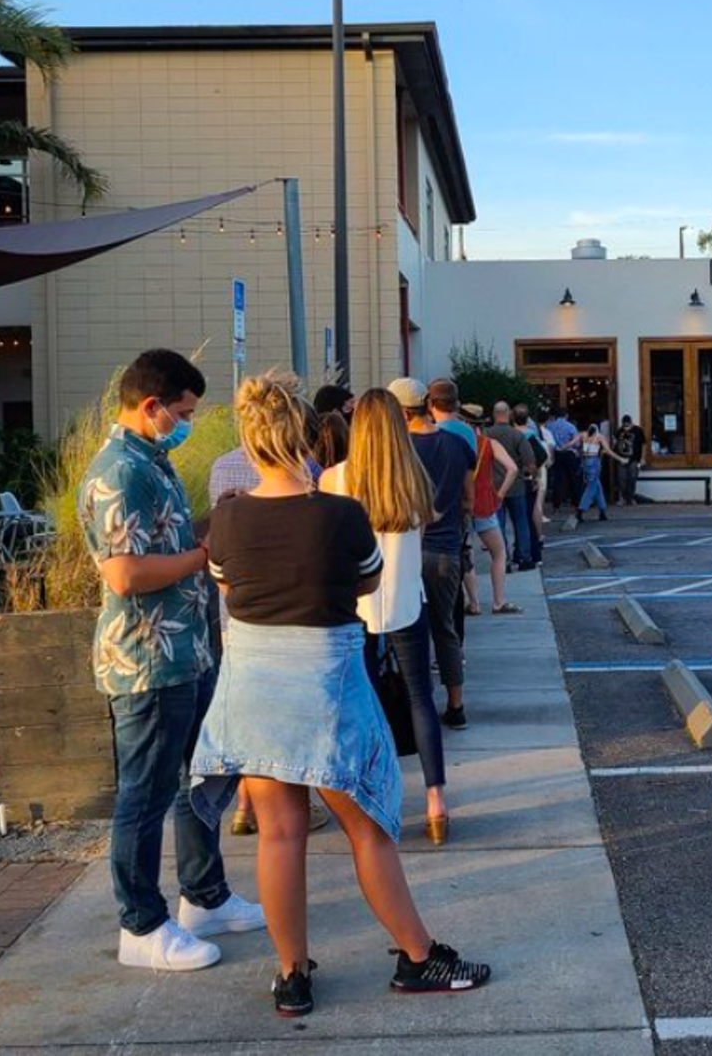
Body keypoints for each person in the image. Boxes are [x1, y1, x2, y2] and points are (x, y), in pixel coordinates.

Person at [190, 371, 490, 1017]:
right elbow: (366, 581)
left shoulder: (229, 516)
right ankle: (416, 956)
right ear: (305, 436)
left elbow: (223, 586)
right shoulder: (339, 514)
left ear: (250, 439)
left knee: (279, 833)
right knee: (368, 828)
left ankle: (292, 974)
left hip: (254, 689)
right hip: (323, 686)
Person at [78, 348, 264, 973]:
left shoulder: (152, 464)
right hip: (149, 661)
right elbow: (126, 572)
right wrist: (202, 553)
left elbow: (167, 542)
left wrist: (217, 519)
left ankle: (204, 895)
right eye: (181, 412)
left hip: (186, 650)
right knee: (146, 794)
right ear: (151, 406)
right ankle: (142, 924)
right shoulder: (122, 472)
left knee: (199, 780)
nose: (186, 422)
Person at [321, 389, 453, 843]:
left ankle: (373, 796)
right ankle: (436, 800)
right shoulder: (413, 476)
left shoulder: (334, 480)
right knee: (420, 697)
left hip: (352, 602)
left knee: (363, 703)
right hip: (405, 598)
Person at [208, 444, 331, 839]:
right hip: (294, 612)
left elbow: (219, 550)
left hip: (239, 614)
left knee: (251, 717)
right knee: (294, 715)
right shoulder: (306, 466)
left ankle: (245, 803)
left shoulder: (221, 466)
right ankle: (300, 798)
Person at [388, 377, 475, 731]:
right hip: (445, 550)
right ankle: (456, 705)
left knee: (405, 633)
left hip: (404, 551)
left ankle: (415, 705)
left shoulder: (398, 450)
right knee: (445, 628)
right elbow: (468, 499)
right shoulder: (456, 444)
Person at [427, 379, 478, 646]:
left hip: (429, 519)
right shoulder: (468, 433)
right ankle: (456, 645)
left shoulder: (433, 433)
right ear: (457, 402)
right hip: (457, 513)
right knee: (453, 585)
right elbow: (471, 476)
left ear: (430, 403)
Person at [459, 404, 521, 614]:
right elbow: (512, 468)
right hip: (485, 503)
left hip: (462, 506)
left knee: (467, 555)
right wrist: (501, 493)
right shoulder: (489, 444)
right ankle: (498, 601)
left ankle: (474, 603)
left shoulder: (457, 442)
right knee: (499, 552)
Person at [486, 402, 535, 570]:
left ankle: (503, 560)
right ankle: (524, 558)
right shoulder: (517, 435)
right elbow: (530, 462)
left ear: (494, 414)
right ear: (509, 414)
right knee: (521, 522)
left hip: (493, 487)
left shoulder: (486, 435)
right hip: (516, 485)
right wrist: (528, 475)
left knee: (497, 524)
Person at [513, 403, 549, 566]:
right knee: (527, 518)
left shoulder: (512, 435)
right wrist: (531, 472)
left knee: (518, 520)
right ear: (527, 420)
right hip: (528, 480)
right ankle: (533, 554)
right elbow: (542, 456)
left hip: (512, 481)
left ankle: (519, 553)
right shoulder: (530, 435)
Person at [571, 423, 625, 522]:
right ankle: (580, 510)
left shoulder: (583, 435)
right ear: (597, 430)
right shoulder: (599, 437)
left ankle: (602, 512)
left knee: (597, 487)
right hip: (594, 462)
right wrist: (620, 458)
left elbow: (573, 443)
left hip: (585, 462)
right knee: (591, 487)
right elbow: (608, 451)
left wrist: (562, 448)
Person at [545, 407, 580, 511]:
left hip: (556, 454)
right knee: (573, 479)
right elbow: (577, 443)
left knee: (558, 479)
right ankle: (575, 504)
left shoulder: (549, 426)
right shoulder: (571, 426)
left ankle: (556, 505)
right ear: (566, 415)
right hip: (569, 453)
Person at [613, 414, 647, 506]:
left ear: (631, 423)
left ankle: (630, 498)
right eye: (624, 425)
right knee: (621, 479)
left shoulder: (638, 430)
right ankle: (622, 499)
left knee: (632, 478)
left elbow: (643, 444)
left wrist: (643, 458)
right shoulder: (619, 431)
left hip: (634, 459)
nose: (626, 427)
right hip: (621, 459)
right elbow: (614, 444)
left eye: (627, 425)